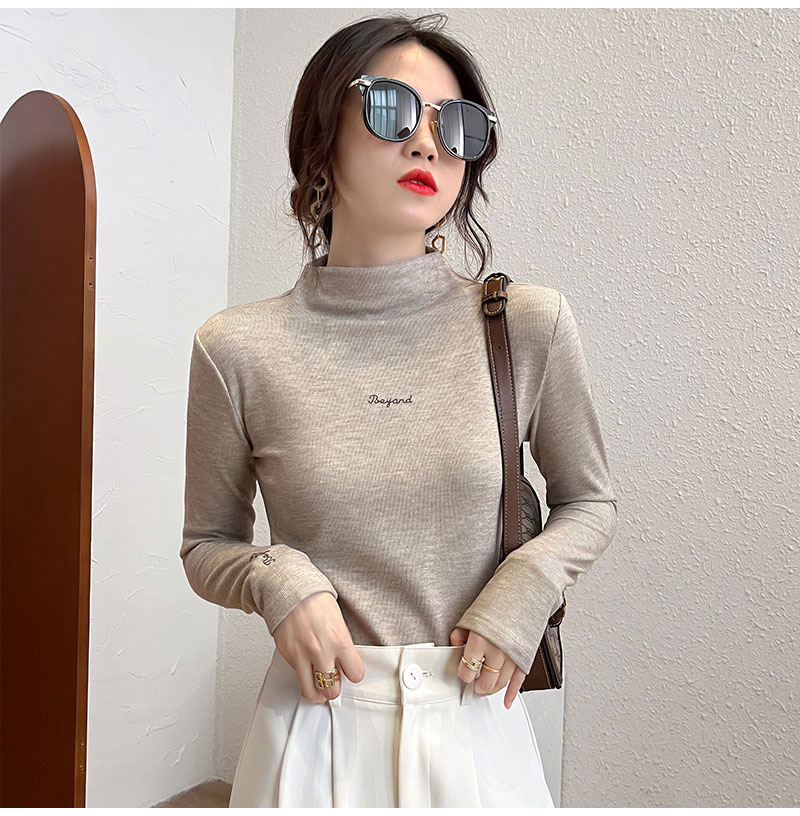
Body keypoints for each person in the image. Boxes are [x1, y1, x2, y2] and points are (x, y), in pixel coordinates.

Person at [180, 12, 618, 809]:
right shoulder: (236, 347)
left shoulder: (527, 324)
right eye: (391, 108)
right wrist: (276, 576)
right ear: (322, 132)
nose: (428, 144)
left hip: (479, 728)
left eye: (458, 125)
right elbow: (206, 544)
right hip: (310, 735)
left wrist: (529, 582)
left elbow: (590, 501)